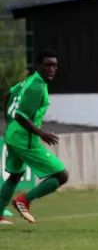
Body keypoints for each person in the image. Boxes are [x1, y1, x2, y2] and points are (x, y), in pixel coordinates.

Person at [0, 50, 69, 224]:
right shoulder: (36, 86)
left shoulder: (29, 81)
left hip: (14, 135)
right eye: (48, 65)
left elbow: (8, 94)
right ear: (38, 66)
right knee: (61, 176)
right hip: (25, 138)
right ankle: (24, 201)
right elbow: (21, 116)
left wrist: (9, 122)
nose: (52, 68)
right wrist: (42, 134)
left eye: (54, 65)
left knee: (15, 175)